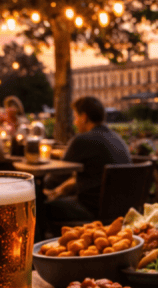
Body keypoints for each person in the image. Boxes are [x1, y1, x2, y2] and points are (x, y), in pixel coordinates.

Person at [45, 96, 131, 226]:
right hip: (120, 211)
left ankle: (38, 245)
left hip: (92, 211)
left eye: (75, 117)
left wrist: (41, 183)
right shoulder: (118, 139)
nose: (75, 122)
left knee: (41, 207)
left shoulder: (82, 140)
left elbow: (55, 179)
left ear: (84, 117)